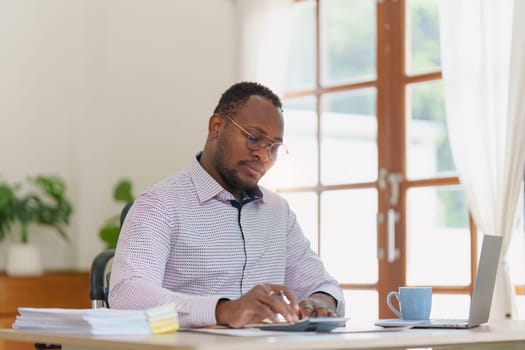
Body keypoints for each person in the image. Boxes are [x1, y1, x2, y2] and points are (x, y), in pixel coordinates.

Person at [108, 81, 345, 328]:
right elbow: (127, 295)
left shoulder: (278, 212)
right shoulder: (160, 204)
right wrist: (223, 311)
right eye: (254, 138)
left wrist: (322, 303)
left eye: (273, 148)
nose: (263, 156)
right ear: (216, 126)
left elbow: (323, 285)